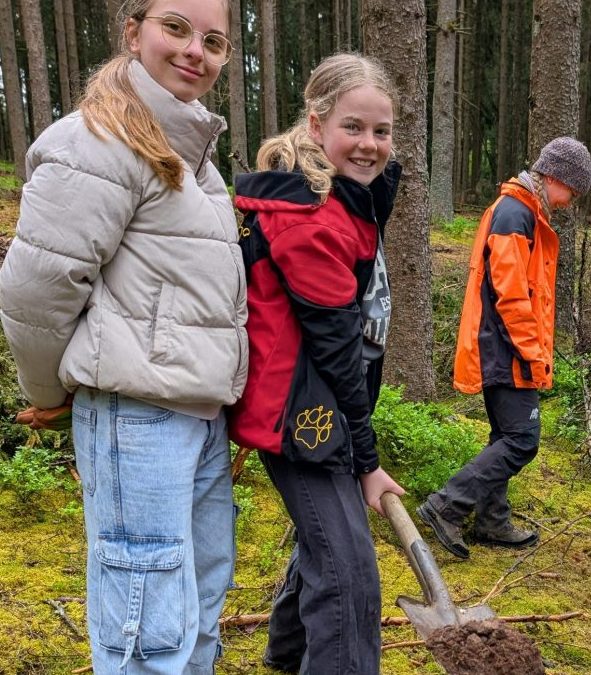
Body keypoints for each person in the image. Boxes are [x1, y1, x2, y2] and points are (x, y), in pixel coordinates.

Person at [0, 0, 246, 671]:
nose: (197, 50)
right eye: (177, 28)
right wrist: (50, 392)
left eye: (214, 40)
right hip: (136, 421)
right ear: (133, 32)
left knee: (195, 607)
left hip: (197, 421)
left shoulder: (193, 156)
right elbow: (35, 288)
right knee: (146, 627)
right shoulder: (99, 142)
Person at [228, 53, 405, 674]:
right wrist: (368, 460)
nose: (369, 144)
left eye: (381, 131)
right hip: (300, 415)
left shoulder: (345, 197)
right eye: (352, 128)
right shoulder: (311, 219)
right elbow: (335, 349)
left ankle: (287, 654)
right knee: (350, 576)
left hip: (319, 400)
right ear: (315, 125)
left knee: (329, 542)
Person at [417, 137, 591, 559]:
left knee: (505, 435)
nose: (570, 202)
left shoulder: (523, 211)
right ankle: (446, 506)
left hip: (503, 344)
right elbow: (512, 297)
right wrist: (532, 353)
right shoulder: (515, 214)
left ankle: (492, 522)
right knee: (522, 440)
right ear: (554, 177)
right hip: (505, 348)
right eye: (572, 191)